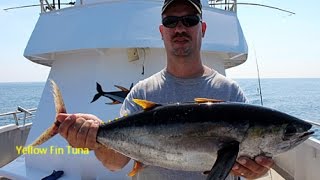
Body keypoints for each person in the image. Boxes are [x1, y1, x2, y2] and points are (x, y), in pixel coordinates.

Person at [57, 0, 274, 179]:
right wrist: (94, 138)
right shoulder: (141, 93)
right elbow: (115, 163)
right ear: (162, 31)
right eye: (171, 21)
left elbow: (247, 167)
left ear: (203, 28)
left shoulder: (230, 94)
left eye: (190, 20)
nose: (180, 28)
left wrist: (255, 172)